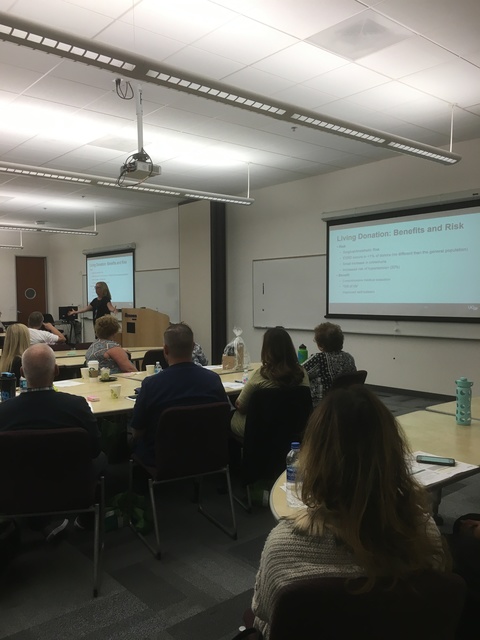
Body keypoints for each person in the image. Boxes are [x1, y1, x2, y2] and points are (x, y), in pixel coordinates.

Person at [251, 386, 447, 638]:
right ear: (394, 453)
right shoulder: (425, 532)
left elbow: (263, 612)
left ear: (314, 458)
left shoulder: (283, 546)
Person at [0, 344, 104, 540]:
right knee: (103, 459)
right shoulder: (77, 406)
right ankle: (87, 520)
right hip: (73, 488)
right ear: (56, 370)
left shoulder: (4, 412)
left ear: (22, 372)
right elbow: (95, 449)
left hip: (17, 491)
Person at [131, 322, 228, 466]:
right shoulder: (213, 380)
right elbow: (224, 417)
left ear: (165, 349)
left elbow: (137, 431)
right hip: (207, 454)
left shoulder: (151, 385)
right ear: (193, 347)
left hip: (163, 459)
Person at [231, 327, 309, 438]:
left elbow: (241, 405)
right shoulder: (302, 373)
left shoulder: (260, 375)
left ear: (266, 349)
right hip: (293, 430)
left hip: (260, 432)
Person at [303, 321, 356, 406]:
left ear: (321, 345)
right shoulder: (349, 358)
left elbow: (296, 373)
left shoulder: (319, 359)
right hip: (346, 405)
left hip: (321, 408)